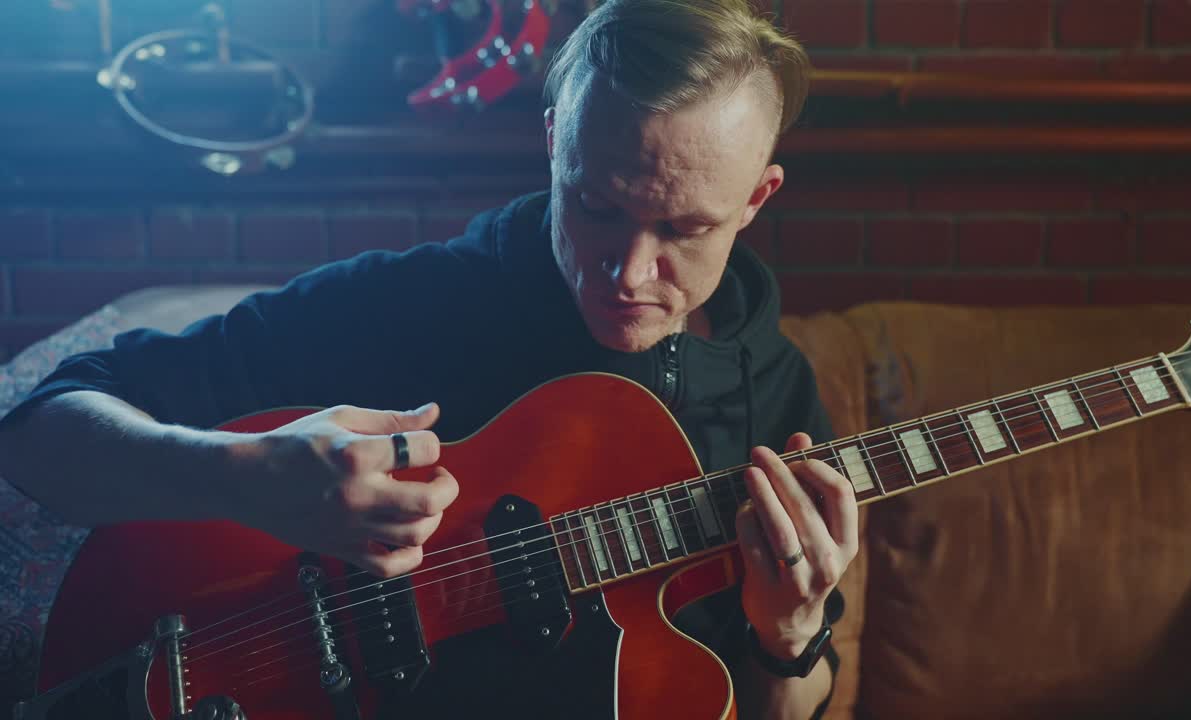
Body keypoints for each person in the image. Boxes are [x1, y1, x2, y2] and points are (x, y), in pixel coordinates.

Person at [0, 0, 859, 718]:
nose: (630, 272)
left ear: (756, 198)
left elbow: (784, 701)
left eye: (684, 229)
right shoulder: (405, 305)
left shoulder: (774, 391)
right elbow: (38, 429)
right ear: (555, 139)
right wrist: (248, 474)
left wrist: (791, 636)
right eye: (595, 206)